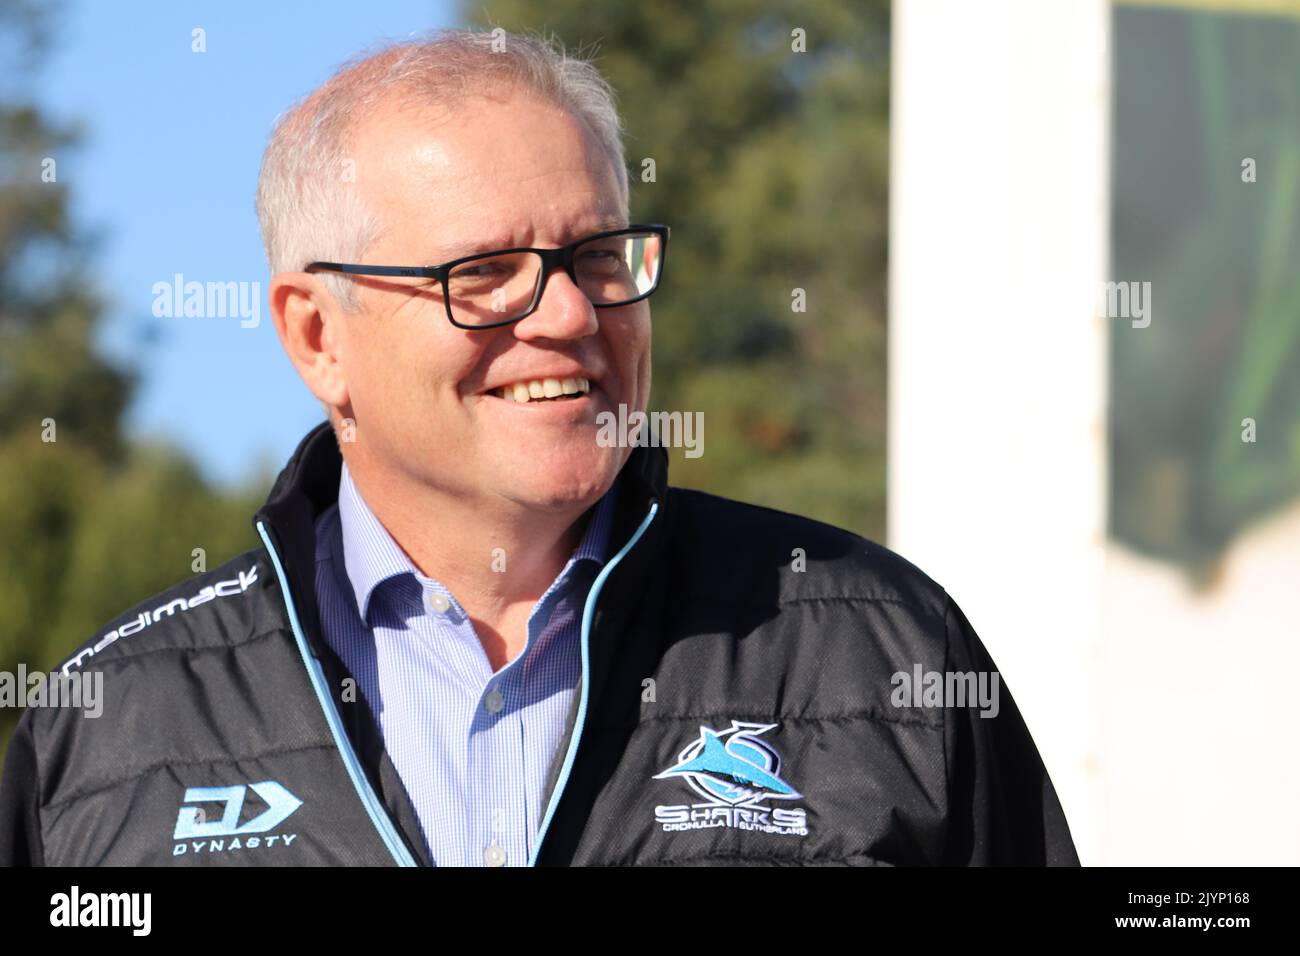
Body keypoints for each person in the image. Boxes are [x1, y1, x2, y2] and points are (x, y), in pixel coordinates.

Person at [0, 29, 1078, 866]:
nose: (566, 314)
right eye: (482, 275)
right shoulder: (106, 737)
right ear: (317, 334)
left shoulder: (880, 652)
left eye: (598, 256)